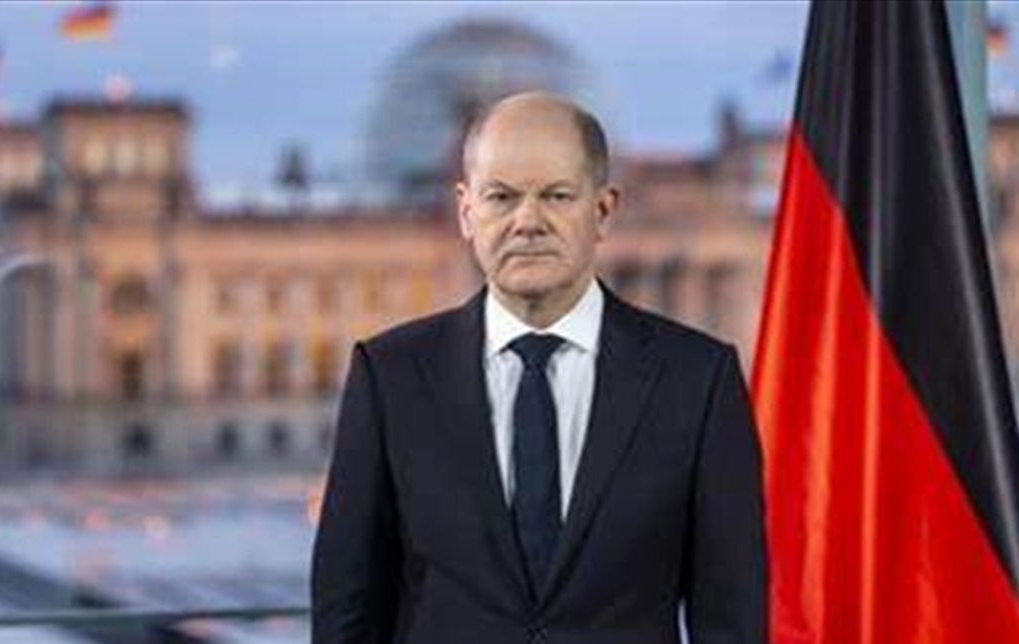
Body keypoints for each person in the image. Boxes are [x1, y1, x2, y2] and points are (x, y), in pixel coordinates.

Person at [311, 92, 767, 644]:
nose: (528, 221)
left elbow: (732, 620)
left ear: (603, 210)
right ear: (465, 211)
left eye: (557, 195)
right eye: (501, 196)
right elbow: (347, 616)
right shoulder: (390, 377)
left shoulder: (699, 380)